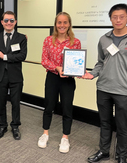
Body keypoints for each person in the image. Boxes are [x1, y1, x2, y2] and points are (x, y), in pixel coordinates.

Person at [83, 4, 127, 163]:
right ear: (111, 18)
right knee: (105, 123)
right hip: (103, 88)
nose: (118, 20)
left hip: (124, 90)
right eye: (115, 17)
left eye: (122, 16)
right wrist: (92, 74)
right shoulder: (104, 38)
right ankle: (104, 151)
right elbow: (101, 62)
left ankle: (122, 157)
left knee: (122, 126)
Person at [37, 12, 81, 153]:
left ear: (69, 24)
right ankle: (45, 133)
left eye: (65, 22)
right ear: (56, 24)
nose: (62, 25)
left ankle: (65, 137)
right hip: (52, 77)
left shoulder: (75, 42)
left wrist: (77, 70)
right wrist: (56, 67)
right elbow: (44, 60)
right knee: (49, 106)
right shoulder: (48, 40)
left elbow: (77, 62)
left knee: (67, 108)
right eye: (59, 22)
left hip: (68, 80)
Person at [0, 11, 27, 140]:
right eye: (6, 20)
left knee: (15, 103)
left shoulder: (21, 37)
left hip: (15, 75)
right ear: (2, 22)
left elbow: (22, 56)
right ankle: (2, 126)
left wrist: (5, 56)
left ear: (15, 22)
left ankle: (15, 126)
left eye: (11, 20)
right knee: (1, 102)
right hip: (0, 75)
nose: (9, 23)